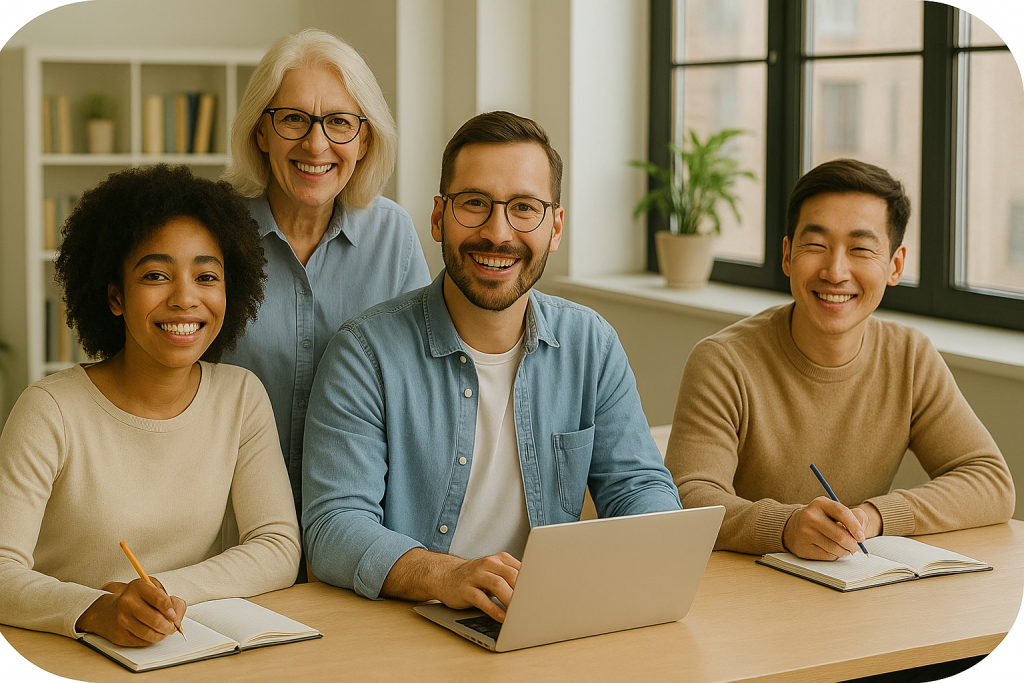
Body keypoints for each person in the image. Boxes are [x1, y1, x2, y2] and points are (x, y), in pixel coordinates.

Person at [302, 111, 681, 622]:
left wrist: (657, 545)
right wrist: (446, 575)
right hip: (409, 626)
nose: (497, 233)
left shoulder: (591, 343)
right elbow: (333, 526)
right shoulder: (364, 354)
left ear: (555, 227)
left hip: (546, 620)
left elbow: (638, 487)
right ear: (438, 217)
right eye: (474, 204)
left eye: (524, 208)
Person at [0, 165, 300, 645]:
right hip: (69, 655)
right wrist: (98, 610)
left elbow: (278, 547)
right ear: (116, 295)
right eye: (157, 275)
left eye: (206, 276)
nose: (185, 298)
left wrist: (158, 594)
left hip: (183, 647)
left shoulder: (240, 397)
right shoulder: (49, 411)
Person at [665, 158, 1014, 561]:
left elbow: (990, 481)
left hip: (853, 589)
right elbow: (690, 497)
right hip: (745, 592)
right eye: (816, 245)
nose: (835, 271)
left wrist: (875, 516)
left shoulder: (910, 357)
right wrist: (786, 527)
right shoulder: (723, 362)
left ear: (894, 266)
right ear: (786, 255)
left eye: (861, 249)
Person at [221, 28, 430, 521]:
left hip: (358, 514)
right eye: (294, 119)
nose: (317, 144)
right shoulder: (212, 228)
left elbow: (419, 383)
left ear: (364, 139)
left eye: (339, 122)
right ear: (260, 131)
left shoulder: (393, 234)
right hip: (227, 516)